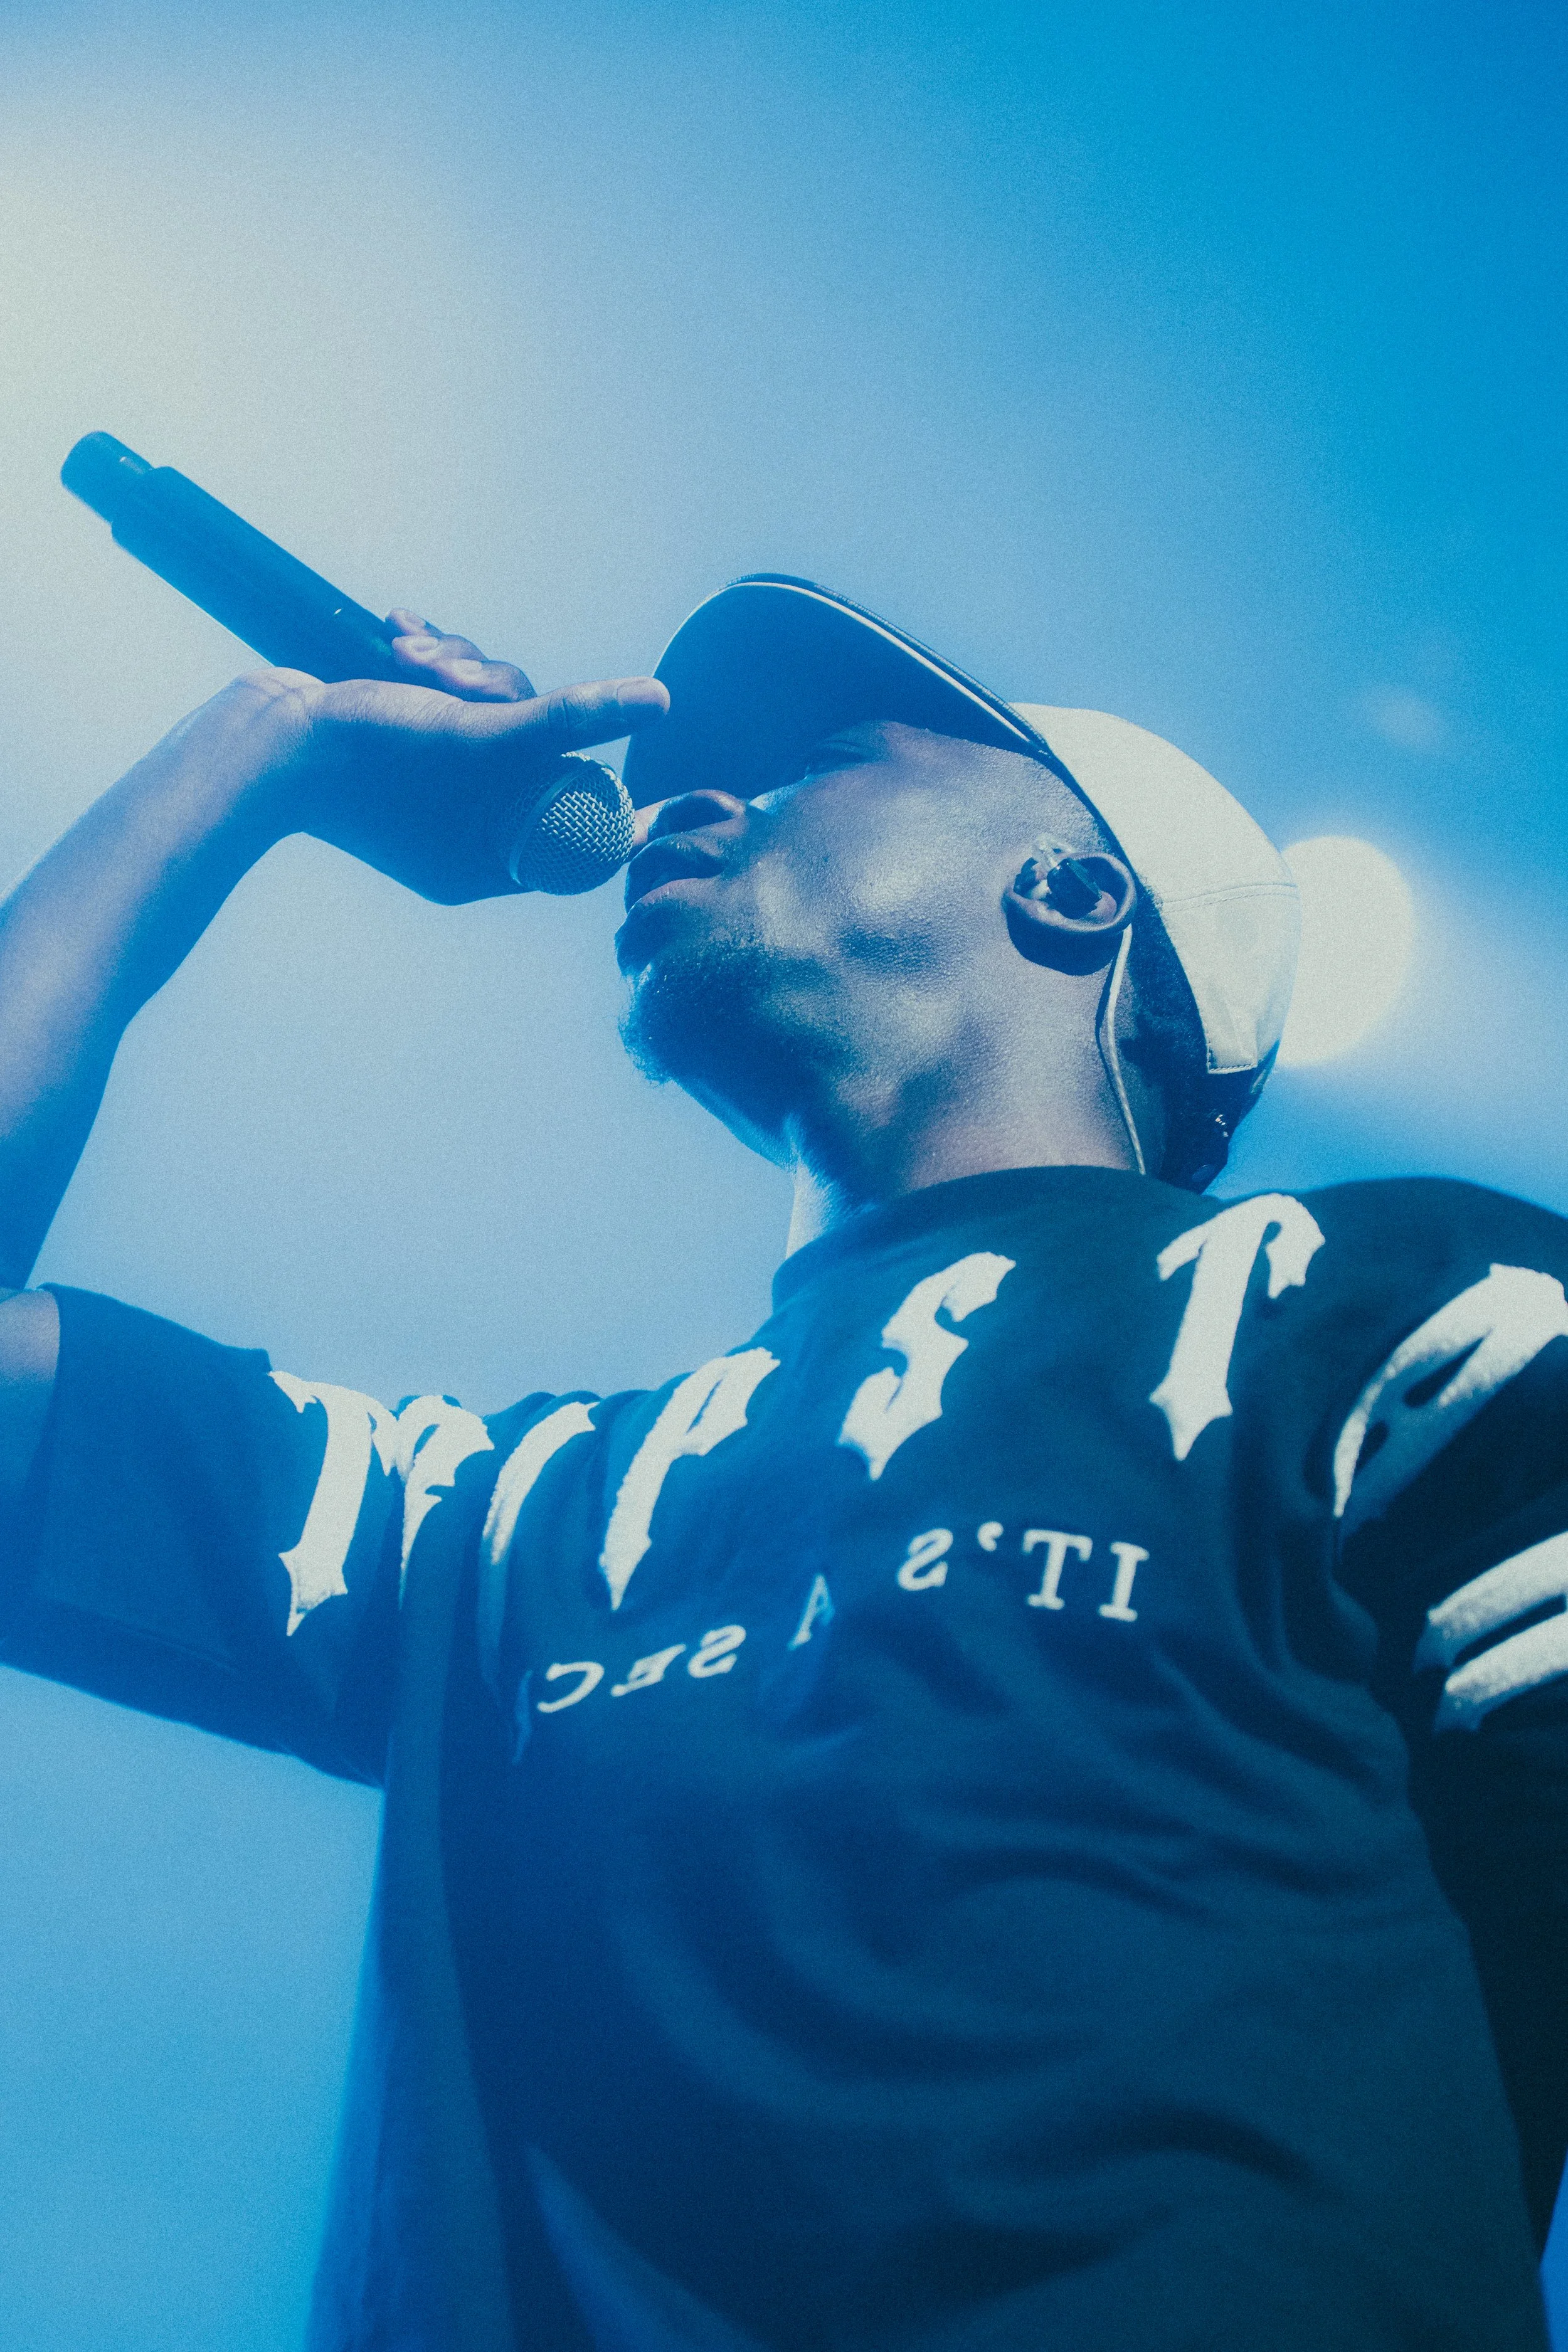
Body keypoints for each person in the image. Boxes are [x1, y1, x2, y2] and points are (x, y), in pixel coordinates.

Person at [1, 573, 1565, 2352]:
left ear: (1068, 892)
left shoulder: (1391, 1307)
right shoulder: (503, 1518)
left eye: (817, 760)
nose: (682, 797)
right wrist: (259, 752)